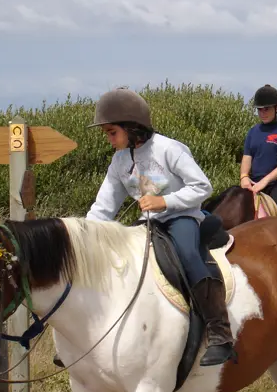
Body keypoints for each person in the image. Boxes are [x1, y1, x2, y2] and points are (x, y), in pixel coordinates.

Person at [85, 87, 237, 366]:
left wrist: (164, 202)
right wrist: (84, 236)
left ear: (132, 128)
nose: (108, 139)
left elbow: (202, 187)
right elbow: (104, 205)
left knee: (189, 256)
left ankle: (220, 334)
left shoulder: (169, 149)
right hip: (148, 223)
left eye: (111, 132)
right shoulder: (119, 161)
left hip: (183, 218)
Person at [240, 84, 277, 216]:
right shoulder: (252, 132)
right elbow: (247, 157)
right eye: (259, 110)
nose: (262, 113)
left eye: (266, 109)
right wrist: (244, 176)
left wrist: (265, 181)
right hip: (254, 182)